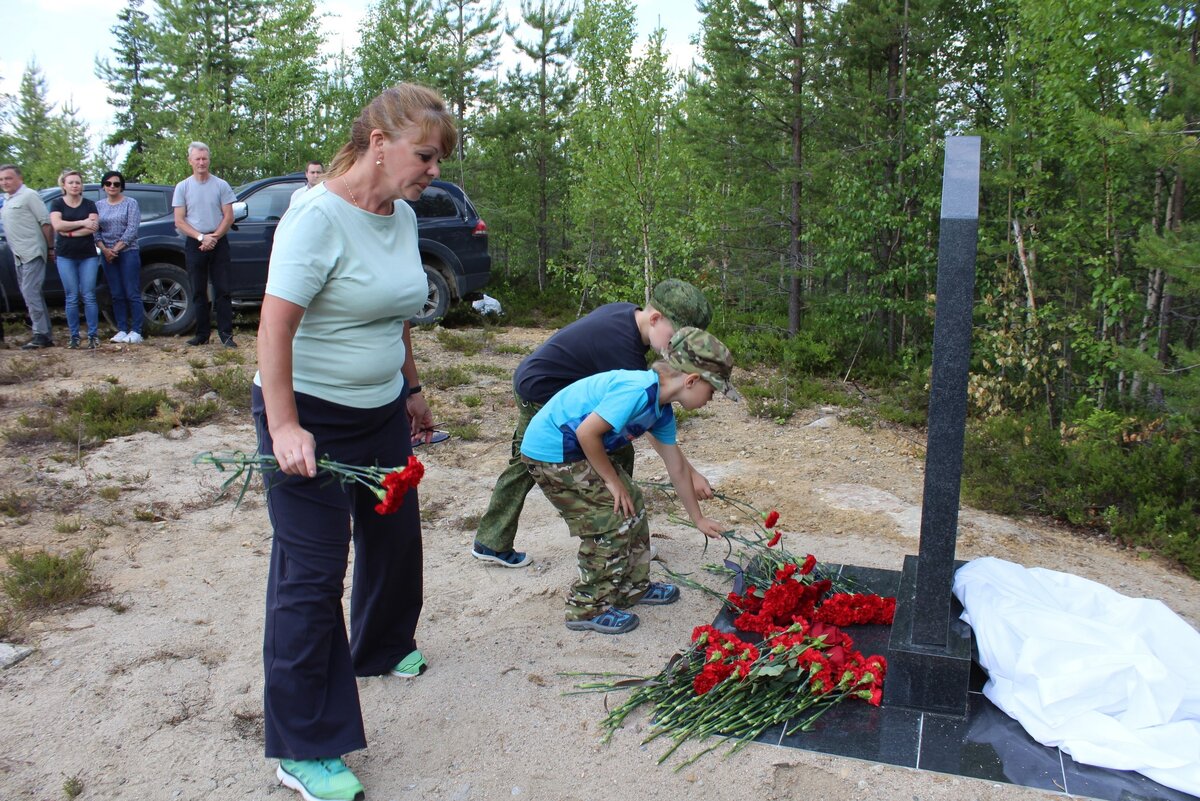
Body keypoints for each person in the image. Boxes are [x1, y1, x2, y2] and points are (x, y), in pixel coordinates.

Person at [253, 83, 452, 801]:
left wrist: (412, 387)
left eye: (439, 158)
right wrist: (284, 425)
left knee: (394, 536)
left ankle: (382, 645)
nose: (434, 171)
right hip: (310, 414)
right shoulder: (316, 217)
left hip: (380, 408)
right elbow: (274, 326)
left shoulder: (401, 215)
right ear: (378, 143)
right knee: (310, 574)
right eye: (424, 155)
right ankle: (303, 746)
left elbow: (397, 312)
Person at [472, 278, 714, 568]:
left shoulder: (627, 314)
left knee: (616, 452)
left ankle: (622, 528)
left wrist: (688, 472)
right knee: (530, 461)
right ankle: (495, 541)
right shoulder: (623, 351)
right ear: (655, 318)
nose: (675, 349)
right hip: (540, 390)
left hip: (550, 387)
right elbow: (647, 426)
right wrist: (691, 473)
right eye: (675, 337)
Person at [522, 327, 739, 634]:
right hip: (552, 451)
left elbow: (676, 467)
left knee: (632, 502)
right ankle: (586, 606)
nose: (711, 398)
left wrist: (698, 518)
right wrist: (612, 481)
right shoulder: (636, 390)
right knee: (609, 520)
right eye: (712, 390)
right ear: (691, 381)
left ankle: (631, 588)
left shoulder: (661, 411)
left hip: (577, 451)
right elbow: (586, 432)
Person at [172, 142, 236, 347]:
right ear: (190, 161)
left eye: (204, 159)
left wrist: (214, 237)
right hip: (195, 242)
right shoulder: (183, 187)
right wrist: (201, 237)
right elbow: (179, 220)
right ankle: (202, 335)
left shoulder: (221, 185)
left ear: (209, 160)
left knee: (223, 290)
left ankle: (226, 335)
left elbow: (229, 216)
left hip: (218, 240)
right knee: (198, 290)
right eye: (197, 159)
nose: (201, 162)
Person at [0, 164, 55, 350]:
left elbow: (46, 223)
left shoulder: (29, 195)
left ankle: (41, 335)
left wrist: (50, 248)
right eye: (1, 179)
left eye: (8, 178)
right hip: (18, 255)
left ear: (19, 178)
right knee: (31, 294)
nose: (4, 182)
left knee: (30, 292)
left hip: (32, 252)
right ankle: (44, 333)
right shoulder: (7, 200)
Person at [48, 170, 101, 349]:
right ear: (64, 185)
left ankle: (93, 335)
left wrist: (70, 232)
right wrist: (82, 222)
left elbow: (93, 227)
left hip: (88, 256)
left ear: (81, 185)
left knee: (89, 295)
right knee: (71, 296)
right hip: (65, 256)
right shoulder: (57, 203)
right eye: (71, 182)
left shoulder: (89, 204)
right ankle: (74, 336)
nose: (75, 185)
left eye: (77, 182)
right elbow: (57, 225)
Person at [95, 170, 144, 344]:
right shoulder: (98, 206)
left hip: (128, 252)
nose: (112, 186)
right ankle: (122, 328)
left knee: (132, 292)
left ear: (121, 186)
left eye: (116, 183)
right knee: (116, 293)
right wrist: (105, 250)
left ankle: (137, 330)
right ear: (103, 186)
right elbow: (95, 230)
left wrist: (115, 249)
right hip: (106, 254)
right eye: (108, 183)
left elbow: (132, 228)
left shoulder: (131, 203)